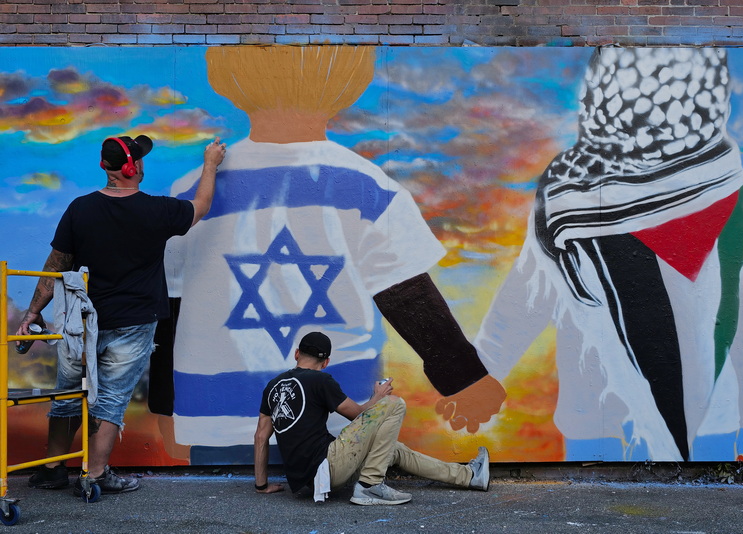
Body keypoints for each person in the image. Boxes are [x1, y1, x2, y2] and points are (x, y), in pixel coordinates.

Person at [158, 46, 505, 464]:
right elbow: (407, 295)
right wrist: (465, 379)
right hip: (338, 408)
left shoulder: (191, 192)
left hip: (216, 411)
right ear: (353, 78)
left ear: (221, 75)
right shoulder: (366, 186)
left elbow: (168, 310)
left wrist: (165, 408)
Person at [475, 47, 743, 461]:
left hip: (594, 414)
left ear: (601, 92)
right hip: (709, 418)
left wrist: (478, 374)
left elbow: (525, 297)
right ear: (712, 93)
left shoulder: (568, 193)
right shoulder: (728, 184)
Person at [16, 133, 227, 494]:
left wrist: (33, 311)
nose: (143, 163)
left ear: (106, 168)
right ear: (131, 167)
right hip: (133, 322)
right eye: (140, 158)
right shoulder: (157, 210)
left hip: (80, 323)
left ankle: (51, 470)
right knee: (112, 398)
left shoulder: (79, 209)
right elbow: (202, 205)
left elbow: (57, 267)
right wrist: (211, 163)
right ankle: (95, 474)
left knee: (67, 393)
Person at [254, 332, 490, 505]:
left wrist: (261, 485)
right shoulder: (320, 380)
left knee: (393, 450)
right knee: (394, 404)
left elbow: (261, 438)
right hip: (329, 466)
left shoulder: (272, 387)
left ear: (297, 354)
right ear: (325, 362)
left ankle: (470, 477)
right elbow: (357, 415)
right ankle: (369, 485)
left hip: (309, 481)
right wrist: (377, 397)